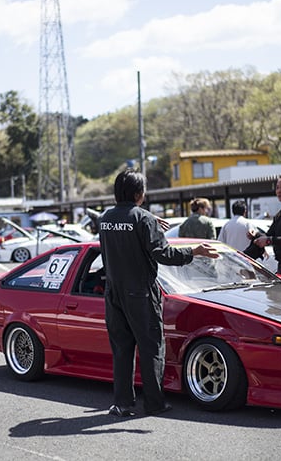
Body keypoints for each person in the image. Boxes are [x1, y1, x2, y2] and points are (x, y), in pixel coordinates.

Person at [99, 169, 219, 417]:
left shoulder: (106, 218)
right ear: (138, 193)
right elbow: (163, 254)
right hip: (141, 294)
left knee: (122, 350)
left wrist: (148, 219)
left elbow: (124, 224)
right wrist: (194, 251)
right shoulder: (143, 219)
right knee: (152, 348)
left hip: (113, 293)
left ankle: (122, 404)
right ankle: (154, 402)